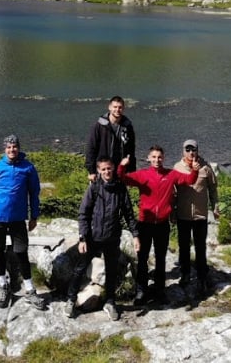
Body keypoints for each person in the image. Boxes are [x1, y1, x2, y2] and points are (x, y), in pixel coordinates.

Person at [118, 145, 198, 305]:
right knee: (142, 258)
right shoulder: (143, 175)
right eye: (153, 157)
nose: (156, 160)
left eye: (159, 157)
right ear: (148, 158)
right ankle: (141, 291)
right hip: (145, 224)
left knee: (161, 258)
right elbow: (123, 178)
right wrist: (122, 165)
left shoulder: (171, 174)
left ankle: (160, 290)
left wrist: (194, 170)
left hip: (162, 224)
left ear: (164, 158)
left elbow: (189, 180)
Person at [65, 156, 138, 321]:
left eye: (109, 168)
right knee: (80, 268)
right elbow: (83, 214)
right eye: (103, 169)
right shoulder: (94, 189)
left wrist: (135, 235)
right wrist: (83, 237)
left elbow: (129, 214)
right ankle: (71, 299)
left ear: (113, 168)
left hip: (112, 237)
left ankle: (110, 302)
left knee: (111, 271)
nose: (106, 171)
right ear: (98, 170)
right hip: (93, 237)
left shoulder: (120, 189)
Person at [0, 134, 46, 310]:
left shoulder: (28, 168)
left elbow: (34, 193)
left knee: (21, 252)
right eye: (9, 147)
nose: (12, 150)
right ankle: (3, 285)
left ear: (19, 148)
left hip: (18, 218)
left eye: (15, 147)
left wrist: (34, 216)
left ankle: (30, 289)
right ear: (5, 149)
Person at [173, 139, 219, 296]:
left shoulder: (206, 167)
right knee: (183, 246)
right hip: (183, 214)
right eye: (188, 149)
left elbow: (213, 189)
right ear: (183, 151)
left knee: (201, 247)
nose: (191, 153)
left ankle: (201, 276)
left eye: (194, 150)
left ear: (198, 151)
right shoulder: (177, 167)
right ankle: (185, 273)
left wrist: (216, 206)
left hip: (200, 215)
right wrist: (172, 211)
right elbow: (172, 192)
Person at [85, 96, 136, 182]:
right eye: (115, 107)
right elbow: (91, 148)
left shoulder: (127, 126)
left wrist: (131, 171)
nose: (117, 110)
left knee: (120, 194)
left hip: (120, 169)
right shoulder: (99, 126)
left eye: (120, 107)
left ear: (123, 108)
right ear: (109, 107)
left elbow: (131, 149)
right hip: (103, 169)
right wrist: (91, 171)